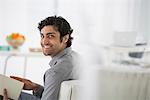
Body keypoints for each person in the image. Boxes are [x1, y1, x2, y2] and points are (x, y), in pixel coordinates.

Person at [2, 15, 79, 100]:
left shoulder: (55, 72)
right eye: (42, 36)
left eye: (50, 36)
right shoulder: (77, 58)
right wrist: (36, 87)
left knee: (4, 94)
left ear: (65, 38)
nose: (44, 41)